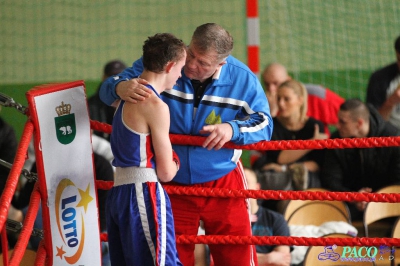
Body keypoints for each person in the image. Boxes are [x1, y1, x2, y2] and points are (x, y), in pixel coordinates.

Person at [100, 23, 273, 266]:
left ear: (221, 64)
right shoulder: (168, 63)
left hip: (222, 178)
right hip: (170, 183)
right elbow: (107, 89)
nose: (191, 65)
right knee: (173, 258)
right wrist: (120, 87)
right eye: (191, 54)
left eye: (203, 63)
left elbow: (265, 124)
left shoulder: (242, 79)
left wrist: (232, 128)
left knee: (237, 256)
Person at [106, 33, 185, 266]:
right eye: (180, 68)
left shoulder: (123, 98)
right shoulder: (155, 105)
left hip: (119, 194)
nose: (180, 75)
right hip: (143, 193)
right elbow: (167, 172)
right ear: (170, 66)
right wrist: (177, 161)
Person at [252, 80, 327, 212]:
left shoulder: (315, 126)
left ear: (300, 100)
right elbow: (280, 157)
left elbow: (316, 164)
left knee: (302, 178)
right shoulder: (271, 125)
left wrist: (284, 168)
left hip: (304, 183)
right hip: (277, 185)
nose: (281, 103)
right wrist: (311, 143)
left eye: (287, 99)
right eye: (279, 98)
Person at [321, 98, 400, 221]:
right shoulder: (336, 140)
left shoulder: (393, 138)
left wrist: (374, 200)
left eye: (342, 122)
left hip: (387, 204)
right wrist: (354, 197)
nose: (337, 125)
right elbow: (330, 180)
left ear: (359, 123)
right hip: (349, 204)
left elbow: (397, 182)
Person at [261, 63, 344, 134]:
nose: (271, 89)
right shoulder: (262, 105)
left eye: (276, 83)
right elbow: (263, 148)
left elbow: (350, 117)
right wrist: (272, 113)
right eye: (267, 84)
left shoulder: (315, 95)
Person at [244, 168, 292, 266]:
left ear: (257, 188)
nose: (241, 187)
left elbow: (283, 261)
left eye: (246, 182)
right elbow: (225, 259)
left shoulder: (276, 219)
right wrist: (268, 258)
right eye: (237, 183)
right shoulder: (225, 221)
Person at [366, 35, 400, 129]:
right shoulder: (380, 78)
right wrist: (391, 102)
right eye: (399, 59)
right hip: (392, 137)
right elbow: (374, 124)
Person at [88, 59, 127, 140]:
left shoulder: (136, 102)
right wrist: (107, 150)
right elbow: (86, 136)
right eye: (112, 76)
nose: (117, 80)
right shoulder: (90, 105)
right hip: (100, 151)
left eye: (121, 76)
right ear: (104, 78)